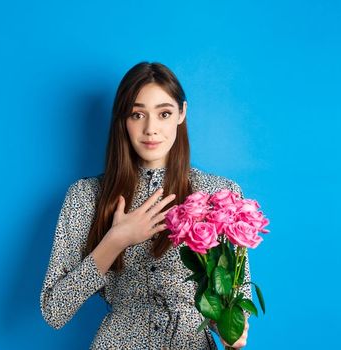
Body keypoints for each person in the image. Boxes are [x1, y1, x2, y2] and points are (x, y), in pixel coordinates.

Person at [40, 62, 252, 349]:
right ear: (123, 119)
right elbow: (54, 311)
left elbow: (233, 302)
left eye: (164, 113)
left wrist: (230, 330)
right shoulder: (87, 196)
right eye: (137, 114)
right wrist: (115, 241)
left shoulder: (219, 195)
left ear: (181, 113)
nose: (151, 129)